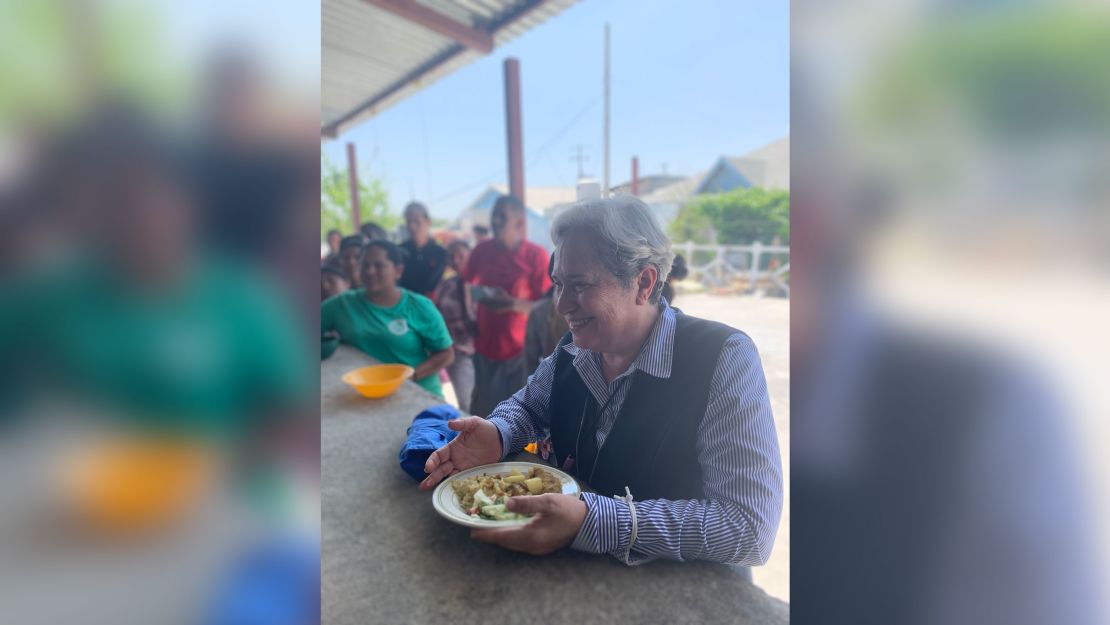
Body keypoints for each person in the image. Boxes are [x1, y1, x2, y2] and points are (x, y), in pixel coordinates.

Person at [420, 196, 782, 567]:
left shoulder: (722, 358)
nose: (561, 306)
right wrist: (498, 433)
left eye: (579, 285)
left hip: (687, 591)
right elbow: (528, 406)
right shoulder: (575, 351)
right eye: (559, 284)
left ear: (643, 282)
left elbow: (748, 528)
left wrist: (592, 520)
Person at [321, 240, 454, 397]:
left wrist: (410, 377)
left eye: (379, 265)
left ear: (398, 270)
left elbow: (446, 354)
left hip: (419, 393)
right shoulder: (342, 304)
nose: (370, 271)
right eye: (365, 265)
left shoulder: (419, 306)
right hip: (366, 395)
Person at [462, 195, 550, 416]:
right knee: (483, 408)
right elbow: (464, 283)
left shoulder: (536, 255)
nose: (496, 221)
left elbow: (548, 306)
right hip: (485, 344)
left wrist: (513, 304)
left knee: (514, 412)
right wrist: (467, 317)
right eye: (494, 215)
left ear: (519, 223)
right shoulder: (482, 250)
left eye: (502, 216)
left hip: (520, 350)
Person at [433, 240, 478, 413]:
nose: (456, 260)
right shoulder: (445, 285)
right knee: (466, 401)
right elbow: (436, 314)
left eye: (460, 255)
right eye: (451, 256)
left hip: (487, 353)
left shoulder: (484, 283)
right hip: (459, 351)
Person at [523, 254, 569, 376]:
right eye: (559, 285)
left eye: (579, 284)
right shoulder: (540, 312)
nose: (564, 304)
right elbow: (530, 363)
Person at [399, 201, 447, 297]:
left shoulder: (440, 253)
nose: (412, 227)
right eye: (409, 222)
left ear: (428, 222)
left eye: (417, 221)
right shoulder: (398, 251)